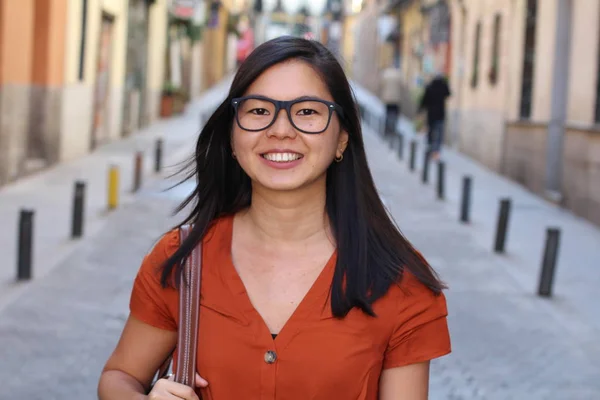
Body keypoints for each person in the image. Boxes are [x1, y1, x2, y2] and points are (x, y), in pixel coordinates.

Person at [98, 36, 451, 400]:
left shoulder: (400, 281)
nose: (280, 130)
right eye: (259, 111)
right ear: (233, 136)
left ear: (342, 138)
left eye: (308, 112)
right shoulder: (183, 261)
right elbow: (119, 377)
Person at [419, 74, 451, 161]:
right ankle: (436, 152)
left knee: (431, 132)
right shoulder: (443, 87)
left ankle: (430, 148)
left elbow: (424, 100)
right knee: (439, 134)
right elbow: (449, 94)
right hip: (440, 114)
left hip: (431, 115)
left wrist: (420, 110)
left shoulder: (430, 87)